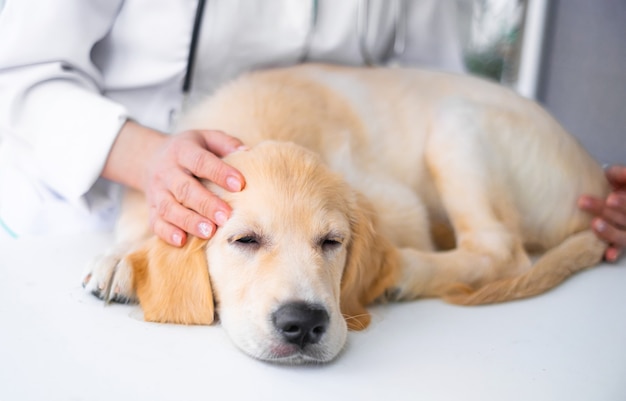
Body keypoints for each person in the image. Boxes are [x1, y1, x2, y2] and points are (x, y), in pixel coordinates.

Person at [0, 1, 624, 261]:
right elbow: (18, 74)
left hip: (310, 240)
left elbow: (434, 89)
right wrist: (149, 159)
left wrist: (569, 191)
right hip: (86, 220)